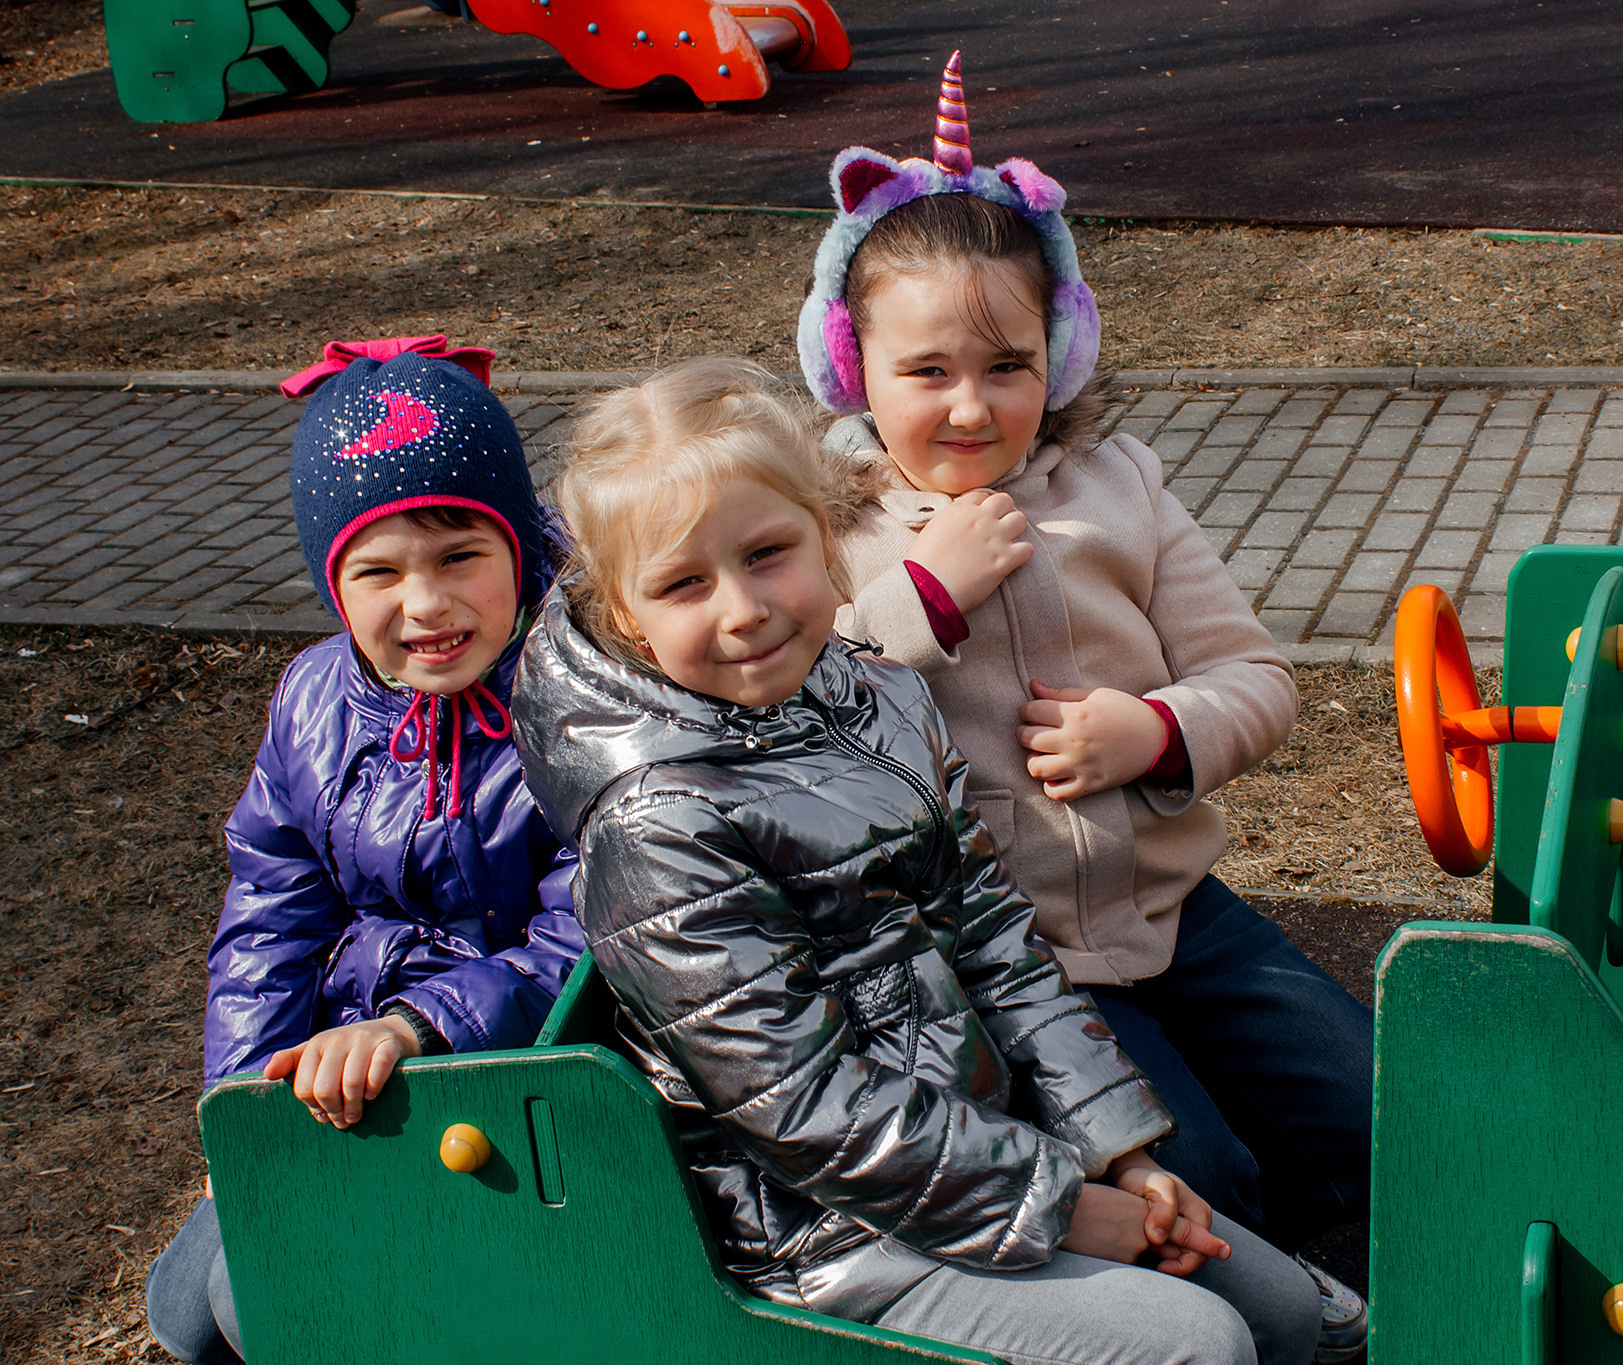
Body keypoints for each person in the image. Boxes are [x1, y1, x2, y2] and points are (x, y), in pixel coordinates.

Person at [509, 358, 1322, 1365]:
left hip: (976, 1153)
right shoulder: (661, 824)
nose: (742, 609)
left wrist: (1118, 1149)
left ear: (827, 538)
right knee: (1197, 1346)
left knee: (1295, 1317)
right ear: (628, 617)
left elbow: (993, 938)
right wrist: (1062, 1205)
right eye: (683, 584)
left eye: (768, 554)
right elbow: (803, 1109)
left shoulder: (878, 698)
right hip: (831, 1235)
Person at [796, 54, 1376, 1358]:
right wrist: (919, 601)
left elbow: (1259, 681)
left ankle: (1340, 1219)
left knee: (1386, 1104)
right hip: (1021, 965)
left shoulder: (1118, 486)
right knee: (1204, 1177)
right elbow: (791, 713)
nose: (967, 403)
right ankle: (1287, 1294)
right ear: (852, 363)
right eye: (925, 369)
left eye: (1006, 365)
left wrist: (1155, 731)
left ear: (1059, 352)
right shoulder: (826, 526)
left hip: (1181, 912)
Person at [146, 337, 586, 1364]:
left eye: (460, 557)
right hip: (346, 1066)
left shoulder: (574, 701)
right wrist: (250, 1103)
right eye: (377, 571)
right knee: (188, 1311)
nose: (425, 606)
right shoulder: (313, 704)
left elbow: (587, 933)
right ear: (331, 586)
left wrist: (417, 1026)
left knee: (271, 1306)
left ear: (518, 550)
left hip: (512, 1075)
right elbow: (270, 913)